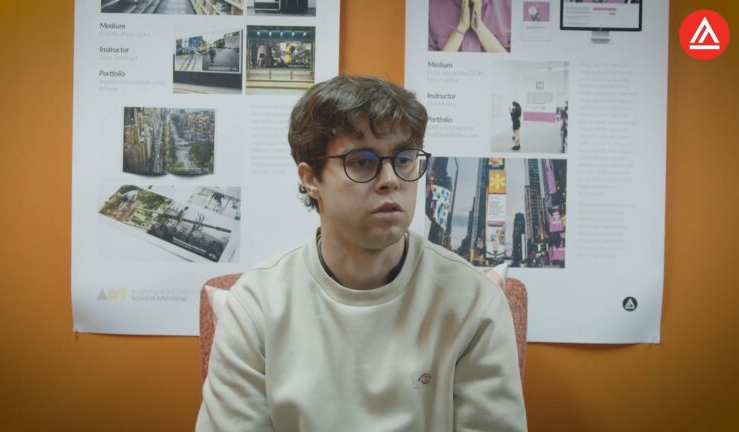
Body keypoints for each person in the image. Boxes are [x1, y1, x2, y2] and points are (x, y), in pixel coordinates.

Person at [196, 76, 526, 431]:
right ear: (311, 179)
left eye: (404, 159)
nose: (391, 180)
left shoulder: (474, 302)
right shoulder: (256, 305)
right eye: (363, 161)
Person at [429, 0, 510, 53]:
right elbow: (426, 71)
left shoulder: (514, 5)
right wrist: (461, 28)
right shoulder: (428, 6)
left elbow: (515, 71)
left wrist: (480, 28)